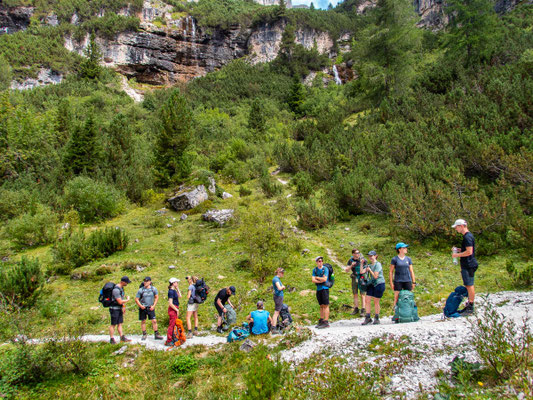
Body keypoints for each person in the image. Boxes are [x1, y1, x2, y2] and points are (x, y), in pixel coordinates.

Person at [451, 219, 478, 315]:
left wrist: (457, 255)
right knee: (467, 284)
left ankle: (470, 306)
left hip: (469, 264)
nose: (456, 229)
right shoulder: (467, 237)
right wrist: (459, 250)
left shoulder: (467, 237)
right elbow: (467, 249)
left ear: (461, 226)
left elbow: (469, 252)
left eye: (457, 227)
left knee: (470, 285)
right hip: (467, 264)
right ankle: (469, 305)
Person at [362, 251, 386, 325]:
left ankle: (377, 317)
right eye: (369, 256)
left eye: (371, 256)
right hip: (371, 283)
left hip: (379, 283)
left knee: (376, 301)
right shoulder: (369, 265)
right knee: (367, 300)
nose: (370, 257)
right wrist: (361, 264)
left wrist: (370, 270)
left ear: (376, 256)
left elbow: (376, 276)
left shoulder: (378, 265)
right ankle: (368, 317)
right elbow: (361, 272)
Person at [389, 243, 416, 308]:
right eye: (404, 248)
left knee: (409, 296)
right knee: (396, 297)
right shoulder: (394, 259)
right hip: (398, 280)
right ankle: (396, 313)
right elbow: (391, 272)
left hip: (407, 280)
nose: (406, 249)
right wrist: (391, 283)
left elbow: (411, 271)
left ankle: (409, 312)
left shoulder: (408, 259)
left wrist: (414, 282)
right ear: (399, 249)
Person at [109, 276, 132, 344]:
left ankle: (122, 337)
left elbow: (121, 300)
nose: (127, 284)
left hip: (119, 309)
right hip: (114, 309)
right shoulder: (116, 290)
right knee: (113, 324)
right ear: (122, 282)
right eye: (126, 282)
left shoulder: (121, 289)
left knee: (120, 323)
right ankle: (112, 338)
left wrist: (123, 306)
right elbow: (119, 301)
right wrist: (127, 300)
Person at [344, 249, 367, 316]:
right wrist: (351, 265)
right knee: (355, 293)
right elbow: (346, 270)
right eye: (356, 253)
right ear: (353, 254)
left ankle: (363, 309)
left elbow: (366, 269)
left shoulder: (363, 260)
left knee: (363, 294)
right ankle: (356, 308)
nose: (358, 254)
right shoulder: (351, 261)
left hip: (362, 278)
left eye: (358, 253)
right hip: (354, 277)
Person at [312, 256, 330, 329]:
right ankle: (321, 319)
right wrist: (320, 279)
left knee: (326, 305)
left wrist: (317, 278)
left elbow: (325, 279)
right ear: (316, 262)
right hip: (319, 289)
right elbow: (313, 280)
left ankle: (326, 321)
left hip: (325, 288)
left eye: (321, 261)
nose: (320, 262)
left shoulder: (325, 269)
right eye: (319, 261)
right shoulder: (315, 270)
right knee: (321, 305)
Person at [165, 277, 182, 346]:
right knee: (171, 325)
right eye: (176, 282)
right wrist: (176, 309)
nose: (177, 283)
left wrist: (177, 288)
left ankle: (173, 337)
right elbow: (170, 303)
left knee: (174, 324)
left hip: (175, 308)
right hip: (173, 309)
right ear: (173, 283)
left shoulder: (174, 290)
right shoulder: (171, 292)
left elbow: (180, 296)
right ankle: (169, 340)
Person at [272, 268, 286, 334]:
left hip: (278, 296)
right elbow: (279, 288)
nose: (283, 274)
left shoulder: (277, 279)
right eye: (282, 273)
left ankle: (276, 325)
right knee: (276, 312)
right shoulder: (276, 279)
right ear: (278, 272)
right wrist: (283, 287)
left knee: (278, 311)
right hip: (278, 297)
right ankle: (273, 327)